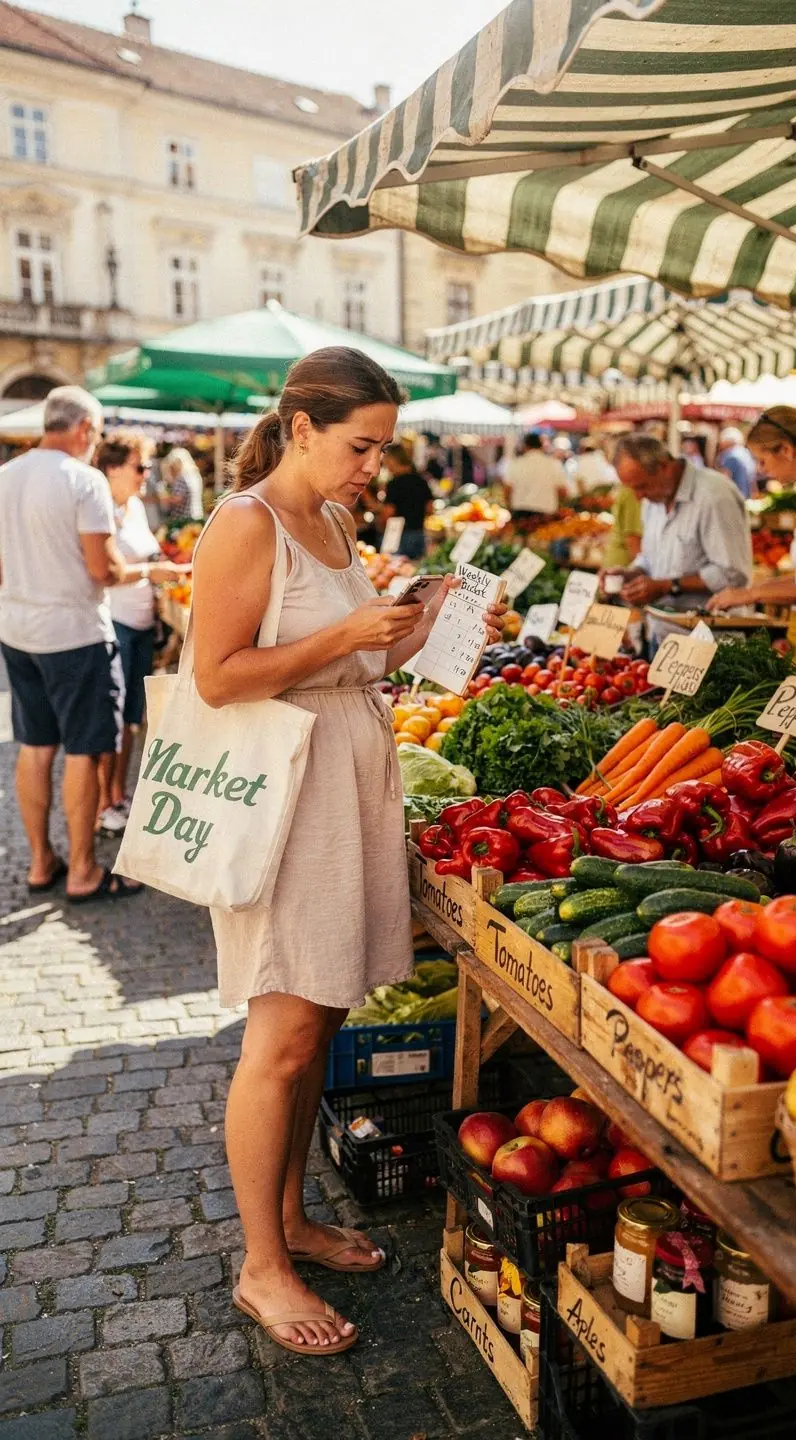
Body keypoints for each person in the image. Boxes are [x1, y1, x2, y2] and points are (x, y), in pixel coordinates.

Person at [191, 346, 504, 1357]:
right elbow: (216, 676)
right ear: (301, 427)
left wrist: (428, 618)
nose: (375, 467)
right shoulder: (245, 523)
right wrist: (344, 638)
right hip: (285, 806)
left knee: (317, 1027)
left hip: (343, 795)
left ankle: (290, 1221)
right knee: (278, 1044)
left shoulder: (329, 522)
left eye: (382, 449)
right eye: (362, 446)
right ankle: (260, 1267)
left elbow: (361, 662)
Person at [0, 386, 145, 902]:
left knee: (35, 746)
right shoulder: (84, 480)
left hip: (18, 630)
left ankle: (42, 861)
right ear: (84, 429)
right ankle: (83, 870)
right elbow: (102, 569)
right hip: (75, 634)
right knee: (84, 750)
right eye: (97, 433)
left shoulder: (6, 475)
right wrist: (141, 569)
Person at [94, 431, 190, 832]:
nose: (146, 474)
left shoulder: (133, 506)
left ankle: (119, 794)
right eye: (140, 466)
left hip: (140, 623)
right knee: (112, 722)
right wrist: (152, 571)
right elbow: (103, 571)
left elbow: (148, 551)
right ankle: (104, 803)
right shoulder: (97, 508)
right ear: (113, 468)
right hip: (114, 623)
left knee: (133, 717)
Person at [609, 434, 752, 644]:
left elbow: (733, 574)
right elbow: (650, 557)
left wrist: (668, 586)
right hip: (661, 632)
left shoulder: (714, 496)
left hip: (709, 640)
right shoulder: (653, 501)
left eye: (641, 486)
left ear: (664, 466)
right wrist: (631, 573)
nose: (638, 497)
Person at [708, 407, 796, 658]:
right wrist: (757, 589)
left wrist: (752, 593)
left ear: (786, 450)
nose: (760, 469)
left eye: (762, 460)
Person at [381, 441, 434, 558]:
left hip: (399, 536)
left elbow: (389, 512)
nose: (387, 467)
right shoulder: (421, 480)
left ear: (393, 460)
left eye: (386, 463)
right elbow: (430, 508)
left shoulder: (394, 484)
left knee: (399, 567)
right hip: (419, 533)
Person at [505, 432, 564, 518]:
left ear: (525, 446)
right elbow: (562, 491)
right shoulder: (553, 464)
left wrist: (509, 507)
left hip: (520, 513)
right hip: (546, 513)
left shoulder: (516, 463)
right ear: (541, 446)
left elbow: (507, 489)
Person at [603, 481, 642, 570]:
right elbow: (633, 540)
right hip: (623, 566)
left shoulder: (626, 491)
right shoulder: (632, 493)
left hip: (617, 564)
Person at [159, 446, 205, 520]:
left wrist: (161, 499)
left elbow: (177, 499)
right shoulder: (195, 475)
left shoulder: (181, 477)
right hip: (196, 515)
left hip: (183, 519)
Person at [716, 425, 758, 501]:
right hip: (747, 497)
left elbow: (724, 480)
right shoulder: (746, 453)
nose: (720, 444)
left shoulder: (729, 455)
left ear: (726, 441)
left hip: (735, 498)